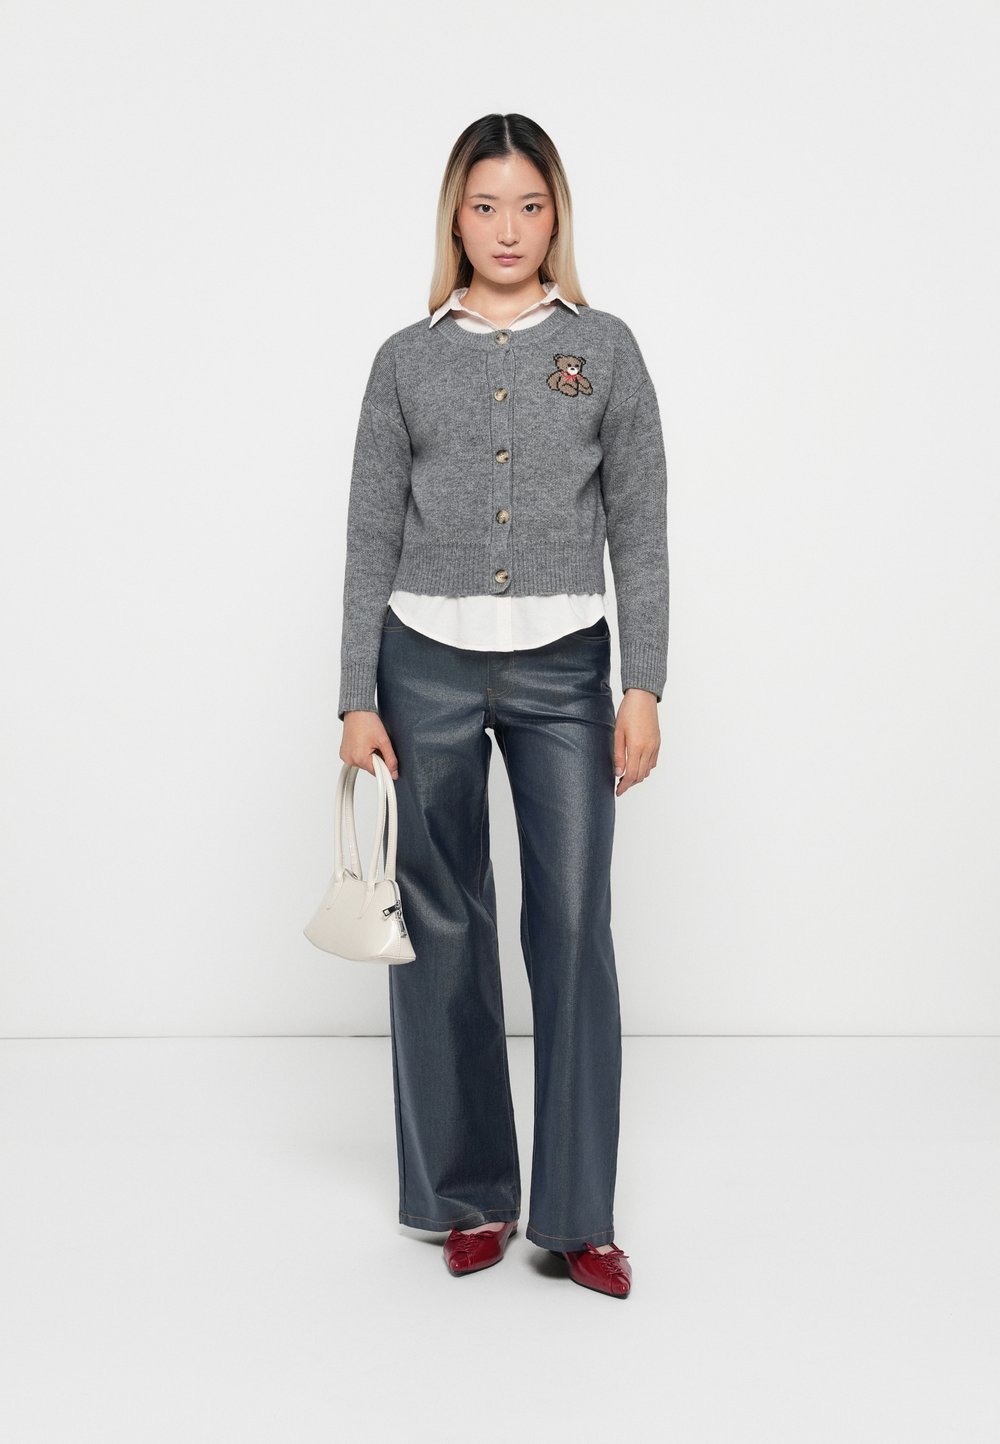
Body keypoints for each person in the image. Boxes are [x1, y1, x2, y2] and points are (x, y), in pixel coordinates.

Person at [337, 113, 669, 1300]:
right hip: (420, 664)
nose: (508, 228)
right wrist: (353, 696)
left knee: (572, 924)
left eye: (529, 205)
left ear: (556, 215)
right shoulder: (404, 359)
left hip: (564, 670)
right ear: (455, 218)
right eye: (486, 206)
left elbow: (640, 526)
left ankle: (576, 1215)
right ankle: (469, 1193)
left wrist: (642, 683)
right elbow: (369, 531)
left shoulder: (604, 349)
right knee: (443, 928)